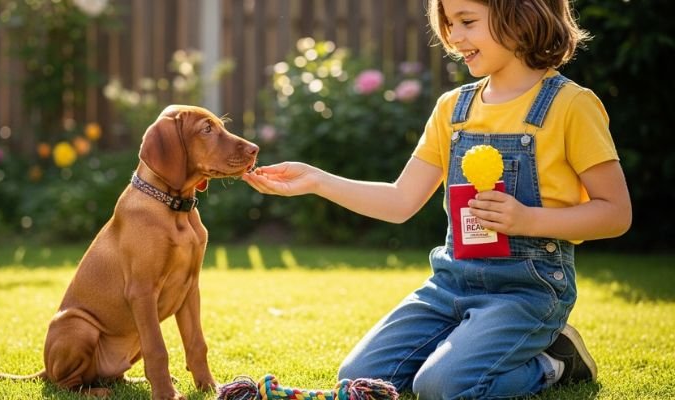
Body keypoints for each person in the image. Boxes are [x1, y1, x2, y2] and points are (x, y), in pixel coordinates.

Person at [243, 0, 632, 398]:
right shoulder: (453, 109)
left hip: (528, 291)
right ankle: (466, 343)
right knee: (360, 376)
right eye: (448, 23)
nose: (454, 37)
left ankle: (554, 363)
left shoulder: (571, 105)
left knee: (441, 386)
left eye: (467, 21)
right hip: (451, 284)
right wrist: (317, 180)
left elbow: (616, 213)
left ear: (520, 15)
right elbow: (400, 201)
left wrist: (528, 220)